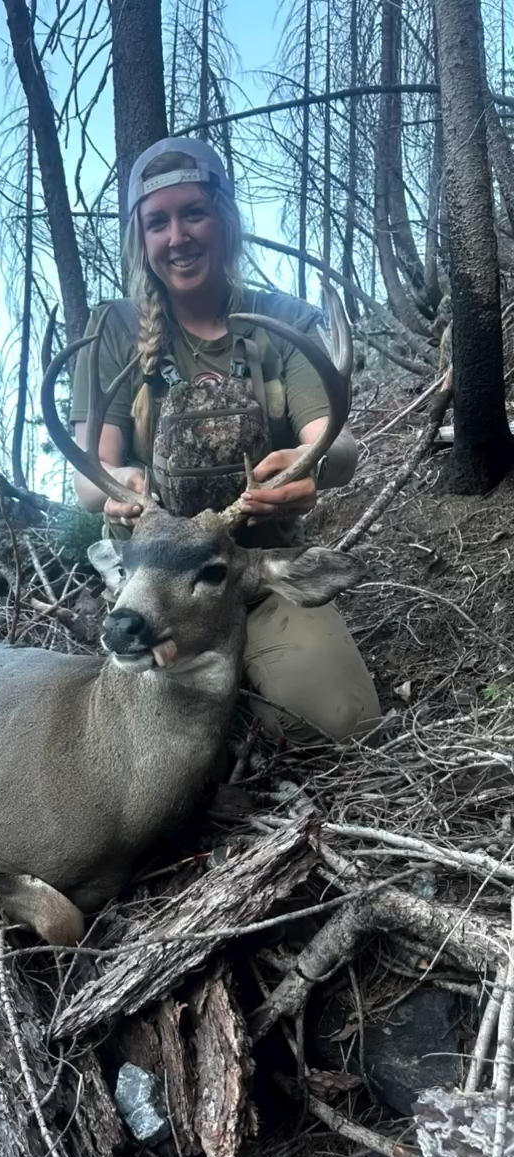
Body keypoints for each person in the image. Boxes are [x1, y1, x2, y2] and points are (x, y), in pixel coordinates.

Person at [70, 136, 380, 744]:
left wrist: (302, 465)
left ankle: (248, 680)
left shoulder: (283, 322)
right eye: (157, 222)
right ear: (142, 239)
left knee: (343, 722)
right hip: (155, 576)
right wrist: (121, 487)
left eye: (194, 213)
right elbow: (90, 477)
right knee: (139, 757)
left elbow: (340, 447)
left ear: (226, 221)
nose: (177, 236)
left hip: (251, 569)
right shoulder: (116, 328)